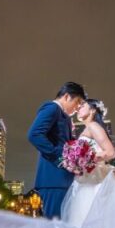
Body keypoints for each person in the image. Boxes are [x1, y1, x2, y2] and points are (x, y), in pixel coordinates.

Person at [61, 98, 115, 228]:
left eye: (82, 105)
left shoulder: (93, 126)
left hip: (95, 179)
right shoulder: (86, 129)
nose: (78, 108)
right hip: (84, 179)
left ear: (92, 110)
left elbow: (110, 152)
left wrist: (87, 158)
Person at [26, 81, 86, 219]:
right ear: (66, 97)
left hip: (62, 179)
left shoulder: (63, 115)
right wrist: (61, 159)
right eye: (77, 102)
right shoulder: (52, 108)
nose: (77, 108)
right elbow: (34, 135)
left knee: (64, 226)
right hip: (54, 179)